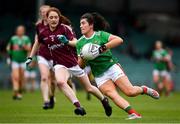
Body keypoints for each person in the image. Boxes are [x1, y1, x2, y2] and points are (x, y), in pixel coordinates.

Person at [26, 7, 112, 116]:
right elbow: (37, 42)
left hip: (74, 63)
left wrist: (67, 41)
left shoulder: (65, 29)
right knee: (61, 82)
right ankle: (79, 107)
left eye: (56, 17)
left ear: (59, 18)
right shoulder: (43, 32)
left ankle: (104, 100)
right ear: (47, 19)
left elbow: (76, 42)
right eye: (51, 17)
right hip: (59, 64)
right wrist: (30, 57)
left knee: (89, 88)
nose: (53, 19)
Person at [75, 12, 160, 119]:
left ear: (91, 25)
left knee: (130, 92)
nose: (81, 26)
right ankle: (134, 114)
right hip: (99, 74)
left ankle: (144, 89)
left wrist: (101, 49)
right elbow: (80, 66)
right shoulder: (79, 43)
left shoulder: (100, 35)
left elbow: (119, 40)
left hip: (112, 67)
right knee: (112, 95)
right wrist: (83, 57)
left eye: (83, 23)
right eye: (80, 24)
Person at [27, 5, 56, 109]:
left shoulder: (55, 23)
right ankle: (46, 101)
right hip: (42, 55)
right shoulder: (38, 25)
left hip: (54, 55)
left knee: (53, 81)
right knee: (44, 77)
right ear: (40, 13)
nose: (44, 13)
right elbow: (37, 41)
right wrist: (31, 56)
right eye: (42, 12)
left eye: (46, 11)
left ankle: (52, 96)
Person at [6, 25, 31, 100]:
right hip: (15, 60)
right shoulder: (13, 39)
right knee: (16, 77)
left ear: (23, 31)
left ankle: (19, 92)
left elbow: (29, 48)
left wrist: (24, 47)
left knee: (21, 78)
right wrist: (9, 57)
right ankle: (15, 91)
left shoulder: (26, 39)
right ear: (16, 31)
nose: (20, 31)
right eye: (18, 30)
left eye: (21, 30)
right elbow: (8, 48)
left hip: (23, 60)